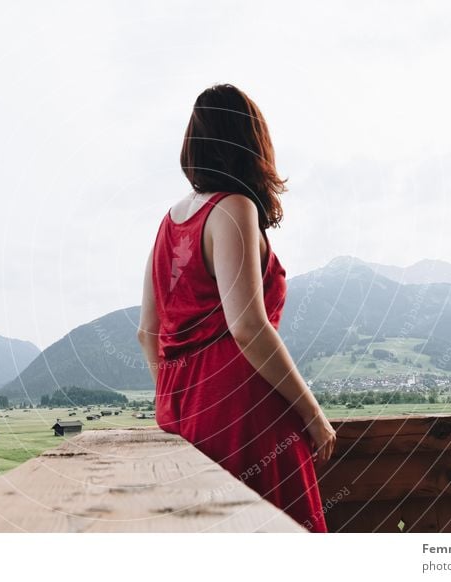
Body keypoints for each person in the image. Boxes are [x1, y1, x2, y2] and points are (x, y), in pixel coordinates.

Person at [137, 83, 336, 532]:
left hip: (183, 411)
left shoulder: (169, 222)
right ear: (252, 142)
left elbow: (147, 332)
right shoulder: (234, 208)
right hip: (245, 412)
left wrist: (181, 399)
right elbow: (248, 325)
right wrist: (314, 415)